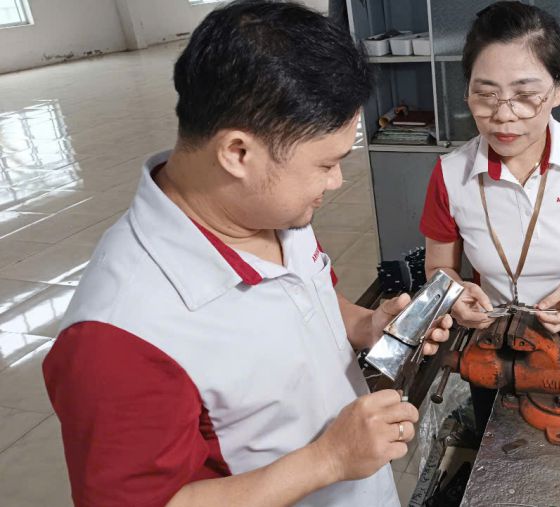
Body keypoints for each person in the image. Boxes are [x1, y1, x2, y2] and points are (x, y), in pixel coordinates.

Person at [41, 2, 451, 506]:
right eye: (325, 164)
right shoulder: (120, 334)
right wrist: (327, 460)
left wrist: (364, 326)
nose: (337, 181)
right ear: (237, 153)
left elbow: (306, 298)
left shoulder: (269, 208)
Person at [419, 1, 560, 433]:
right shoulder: (452, 174)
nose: (504, 115)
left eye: (525, 96)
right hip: (494, 342)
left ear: (558, 88)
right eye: (485, 94)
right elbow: (439, 269)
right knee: (498, 450)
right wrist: (454, 295)